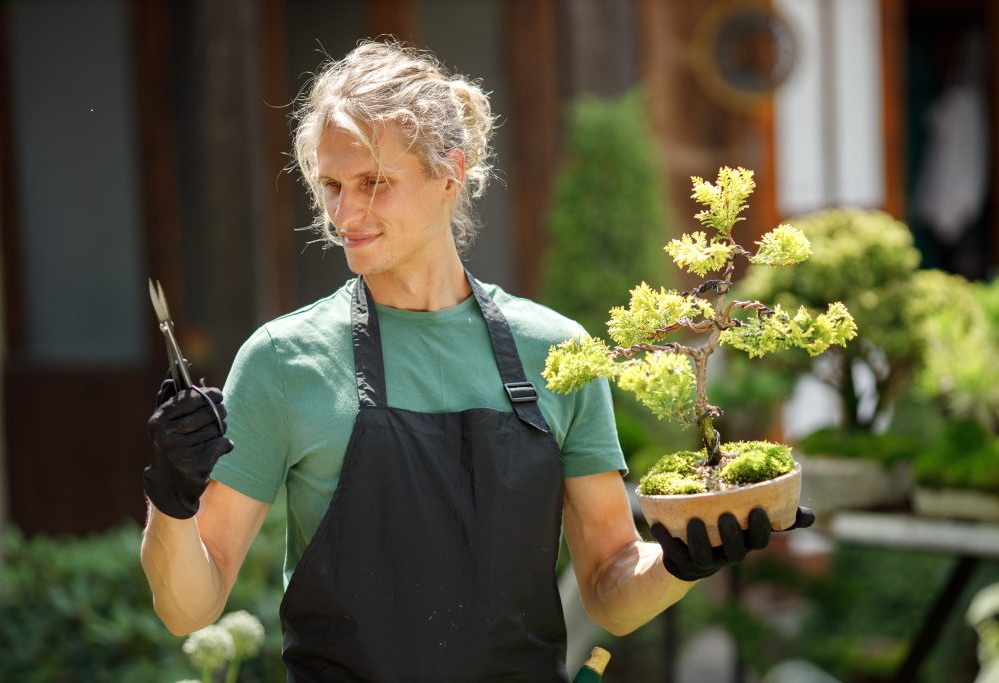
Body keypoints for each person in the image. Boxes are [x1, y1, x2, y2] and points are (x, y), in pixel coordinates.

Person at [140, 40, 813, 682]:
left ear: (450, 174)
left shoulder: (555, 351)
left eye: (374, 181)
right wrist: (170, 498)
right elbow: (188, 608)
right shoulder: (283, 361)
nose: (346, 212)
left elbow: (610, 585)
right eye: (332, 184)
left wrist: (684, 560)